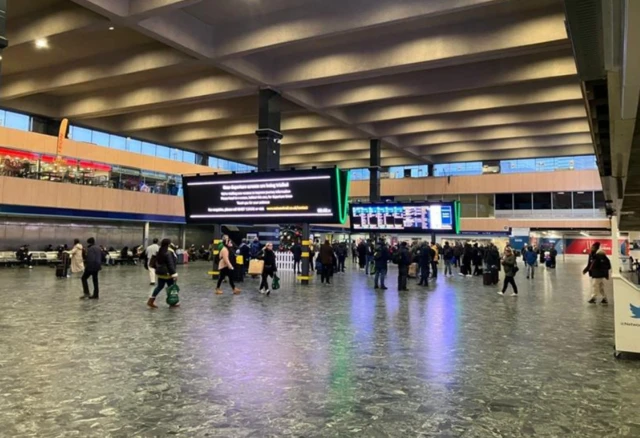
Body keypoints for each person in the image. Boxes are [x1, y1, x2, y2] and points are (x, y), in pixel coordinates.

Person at [147, 238, 179, 308]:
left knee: (159, 287)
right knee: (171, 288)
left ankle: (151, 300)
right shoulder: (169, 252)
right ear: (169, 244)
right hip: (168, 274)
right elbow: (170, 264)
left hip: (160, 273)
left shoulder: (160, 250)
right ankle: (172, 302)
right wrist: (174, 274)